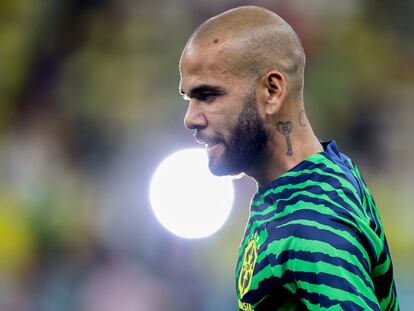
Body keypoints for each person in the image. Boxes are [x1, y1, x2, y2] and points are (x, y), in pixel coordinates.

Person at [179, 5, 399, 311]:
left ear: (271, 92)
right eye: (189, 98)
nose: (190, 119)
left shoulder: (310, 226)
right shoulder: (325, 169)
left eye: (208, 95)